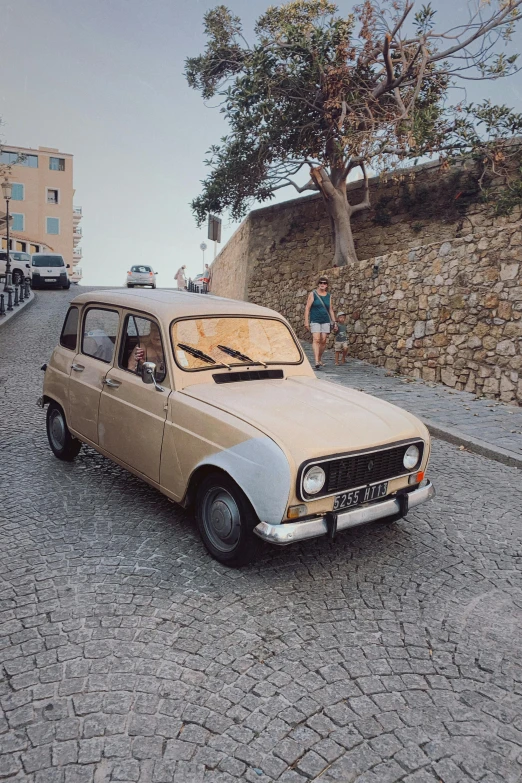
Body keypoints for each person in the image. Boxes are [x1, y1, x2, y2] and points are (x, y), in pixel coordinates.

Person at [304, 276, 336, 369]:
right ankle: (316, 361)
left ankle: (319, 358)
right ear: (318, 284)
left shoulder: (329, 296)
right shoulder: (313, 294)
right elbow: (307, 308)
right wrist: (306, 321)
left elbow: (330, 309)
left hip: (325, 320)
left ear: (327, 285)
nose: (322, 284)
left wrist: (334, 322)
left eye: (325, 283)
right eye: (321, 283)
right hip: (315, 320)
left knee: (323, 340)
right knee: (316, 339)